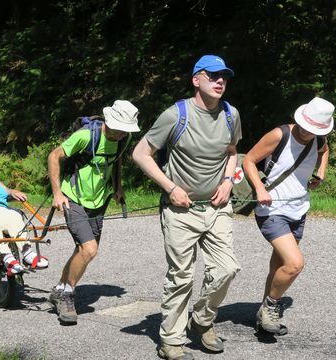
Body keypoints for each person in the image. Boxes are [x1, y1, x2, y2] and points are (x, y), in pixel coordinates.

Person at [132, 55, 242, 359]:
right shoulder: (175, 115)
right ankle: (171, 341)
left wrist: (229, 182)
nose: (221, 81)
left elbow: (233, 152)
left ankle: (202, 320)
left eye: (225, 77)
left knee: (227, 269)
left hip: (217, 207)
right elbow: (141, 154)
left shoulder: (231, 114)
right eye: (213, 76)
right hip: (180, 211)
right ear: (196, 80)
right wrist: (171, 187)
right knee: (181, 276)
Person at [242, 97, 333, 336]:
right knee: (294, 264)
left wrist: (321, 174)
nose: (307, 133)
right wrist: (260, 189)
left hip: (299, 209)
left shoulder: (319, 139)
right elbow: (249, 160)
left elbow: (325, 151)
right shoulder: (279, 135)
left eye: (313, 131)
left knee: (280, 264)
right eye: (305, 127)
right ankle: (271, 306)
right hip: (271, 209)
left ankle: (263, 316)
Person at [47, 99, 140, 325]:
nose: (122, 134)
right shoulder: (87, 136)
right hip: (73, 198)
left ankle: (60, 288)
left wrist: (118, 188)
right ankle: (66, 296)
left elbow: (116, 162)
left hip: (100, 200)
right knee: (89, 250)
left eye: (126, 130)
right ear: (109, 121)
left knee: (83, 250)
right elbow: (53, 156)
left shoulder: (123, 139)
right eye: (120, 129)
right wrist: (57, 193)